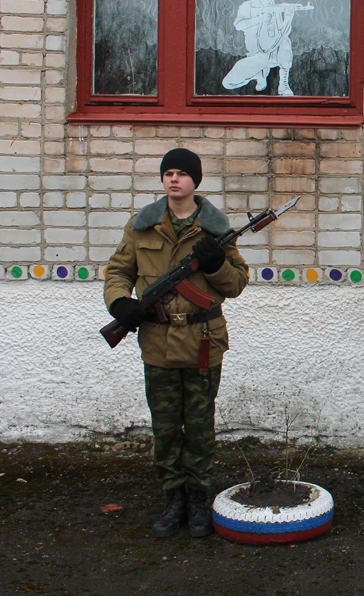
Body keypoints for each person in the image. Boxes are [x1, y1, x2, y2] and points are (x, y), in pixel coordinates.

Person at [104, 148, 249, 538]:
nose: (174, 179)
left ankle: (198, 498)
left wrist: (216, 264)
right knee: (166, 427)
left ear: (194, 181)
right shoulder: (143, 226)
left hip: (203, 341)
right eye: (168, 172)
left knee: (199, 425)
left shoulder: (215, 228)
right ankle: (174, 498)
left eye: (182, 173)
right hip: (158, 341)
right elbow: (118, 271)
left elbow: (236, 283)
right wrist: (119, 302)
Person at [223, 0, 303, 95]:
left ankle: (283, 84)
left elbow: (282, 33)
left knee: (285, 42)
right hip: (256, 54)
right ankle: (258, 74)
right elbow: (239, 25)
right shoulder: (248, 6)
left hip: (272, 51)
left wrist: (288, 17)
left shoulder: (274, 8)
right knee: (228, 83)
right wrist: (260, 18)